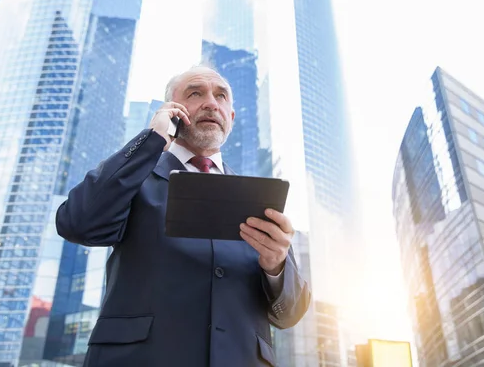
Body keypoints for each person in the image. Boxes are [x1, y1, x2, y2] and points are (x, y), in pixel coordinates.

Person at [55, 65, 311, 367]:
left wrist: (276, 267)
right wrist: (154, 137)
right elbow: (77, 222)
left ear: (230, 118)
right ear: (172, 110)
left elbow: (290, 313)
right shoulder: (133, 179)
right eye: (195, 93)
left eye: (221, 96)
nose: (211, 103)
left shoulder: (260, 201)